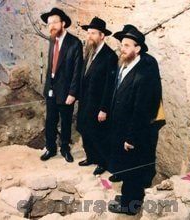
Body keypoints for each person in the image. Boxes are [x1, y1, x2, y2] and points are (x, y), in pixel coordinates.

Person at [108, 25, 164, 215]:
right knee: (126, 166)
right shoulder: (127, 62)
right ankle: (131, 198)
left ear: (137, 48)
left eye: (126, 45)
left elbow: (143, 109)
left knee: (132, 168)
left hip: (134, 131)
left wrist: (131, 138)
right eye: (121, 44)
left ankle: (129, 206)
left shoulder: (145, 71)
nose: (121, 48)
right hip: (122, 127)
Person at [40, 8, 83, 163]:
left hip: (66, 91)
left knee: (65, 121)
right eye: (49, 23)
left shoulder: (75, 43)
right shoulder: (52, 39)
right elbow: (51, 66)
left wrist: (73, 93)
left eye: (54, 22)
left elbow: (77, 71)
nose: (51, 25)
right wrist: (47, 87)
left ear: (63, 23)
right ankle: (50, 148)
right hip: (51, 89)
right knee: (50, 120)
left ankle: (65, 148)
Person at [77, 17, 118, 175]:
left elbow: (110, 86)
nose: (90, 36)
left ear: (102, 36)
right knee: (85, 130)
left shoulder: (109, 57)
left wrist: (104, 109)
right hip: (86, 101)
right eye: (89, 33)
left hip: (98, 104)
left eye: (93, 33)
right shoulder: (89, 51)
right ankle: (91, 157)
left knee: (98, 133)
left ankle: (102, 162)